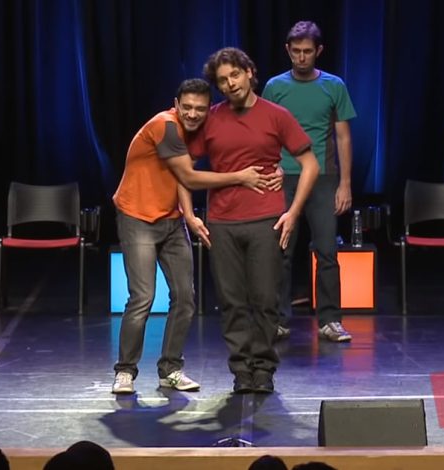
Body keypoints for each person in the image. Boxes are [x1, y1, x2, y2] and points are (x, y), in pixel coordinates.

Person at [111, 78, 282, 394]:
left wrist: (276, 168)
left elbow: (242, 150)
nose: (192, 114)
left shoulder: (199, 131)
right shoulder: (165, 125)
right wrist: (240, 178)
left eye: (200, 109)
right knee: (143, 297)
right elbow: (188, 176)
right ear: (176, 104)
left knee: (185, 298)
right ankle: (125, 371)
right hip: (138, 217)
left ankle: (170, 369)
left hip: (171, 219)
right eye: (187, 107)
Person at [192, 47, 319, 394]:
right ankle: (241, 370)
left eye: (235, 75)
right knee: (231, 301)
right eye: (222, 80)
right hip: (222, 222)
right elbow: (183, 169)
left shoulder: (276, 115)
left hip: (266, 219)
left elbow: (310, 164)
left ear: (249, 72)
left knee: (264, 299)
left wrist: (293, 211)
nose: (230, 84)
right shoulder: (212, 118)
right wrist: (190, 214)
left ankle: (263, 368)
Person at [262, 20, 357, 343]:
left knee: (327, 250)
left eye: (307, 52)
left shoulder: (334, 85)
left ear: (319, 51)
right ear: (287, 50)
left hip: (323, 177)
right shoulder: (275, 87)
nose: (301, 57)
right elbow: (267, 133)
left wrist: (345, 183)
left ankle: (330, 320)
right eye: (296, 51)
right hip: (284, 176)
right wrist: (270, 169)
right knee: (281, 251)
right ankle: (277, 320)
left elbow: (343, 137)